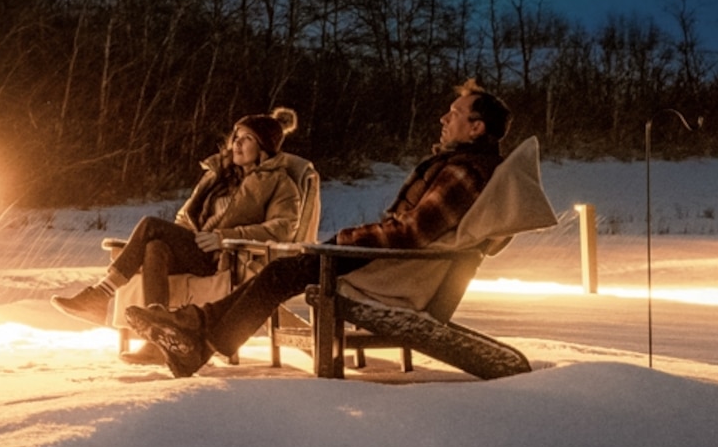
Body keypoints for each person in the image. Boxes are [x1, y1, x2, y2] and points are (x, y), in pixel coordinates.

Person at [131, 81, 513, 378]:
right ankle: (197, 332)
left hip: (391, 269)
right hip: (389, 263)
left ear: (476, 127)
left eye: (455, 113)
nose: (444, 119)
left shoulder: (463, 172)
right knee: (283, 272)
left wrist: (346, 241)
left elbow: (409, 233)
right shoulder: (463, 165)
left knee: (282, 271)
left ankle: (197, 332)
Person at [52, 108, 316, 328]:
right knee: (156, 246)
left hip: (224, 257)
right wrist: (181, 236)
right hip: (194, 248)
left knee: (150, 225)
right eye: (236, 136)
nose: (236, 142)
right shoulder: (217, 177)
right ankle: (158, 336)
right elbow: (185, 215)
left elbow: (281, 229)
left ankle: (101, 294)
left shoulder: (279, 183)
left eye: (247, 138)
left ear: (264, 148)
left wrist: (225, 237)